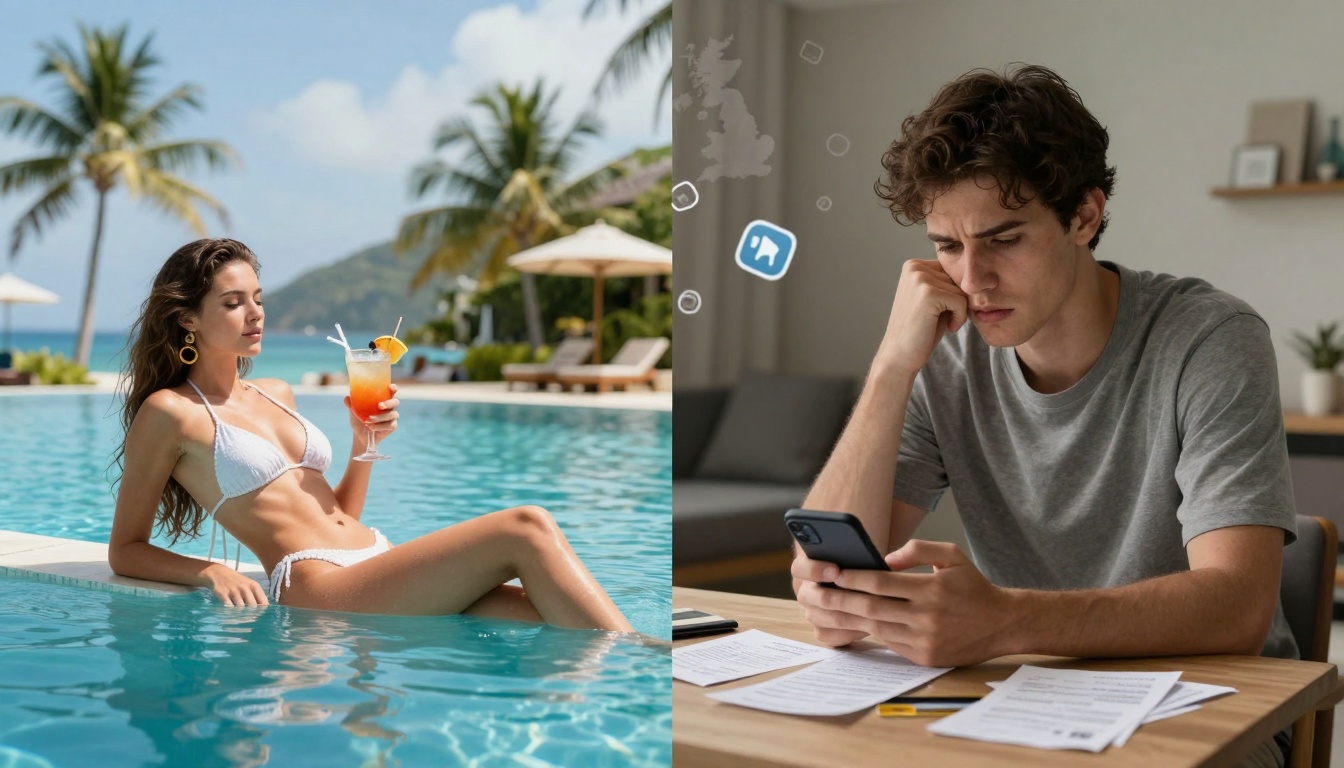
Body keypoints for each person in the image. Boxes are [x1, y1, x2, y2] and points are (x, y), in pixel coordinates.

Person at [790, 65, 1294, 766]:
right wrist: (889, 368)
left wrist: (1003, 621)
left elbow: (1237, 608)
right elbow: (828, 581)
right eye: (947, 245)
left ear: (1084, 217)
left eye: (1003, 239)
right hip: (1019, 701)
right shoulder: (943, 351)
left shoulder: (1210, 339)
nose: (972, 280)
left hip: (1210, 704)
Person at [109, 238, 632, 632]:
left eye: (258, 299)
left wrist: (363, 445)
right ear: (188, 319)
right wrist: (209, 572)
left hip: (376, 560)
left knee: (554, 616)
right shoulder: (170, 412)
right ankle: (649, 676)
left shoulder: (276, 392)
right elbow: (126, 549)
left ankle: (635, 688)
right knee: (527, 525)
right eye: (232, 303)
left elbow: (337, 514)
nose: (255, 314)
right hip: (318, 586)